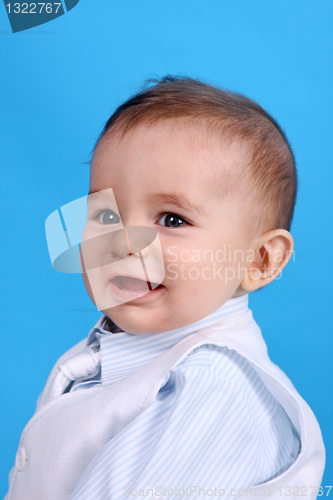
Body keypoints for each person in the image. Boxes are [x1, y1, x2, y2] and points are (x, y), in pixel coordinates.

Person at [5, 76, 325, 500]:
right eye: (105, 216)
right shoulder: (120, 353)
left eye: (172, 219)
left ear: (259, 260)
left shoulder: (209, 390)